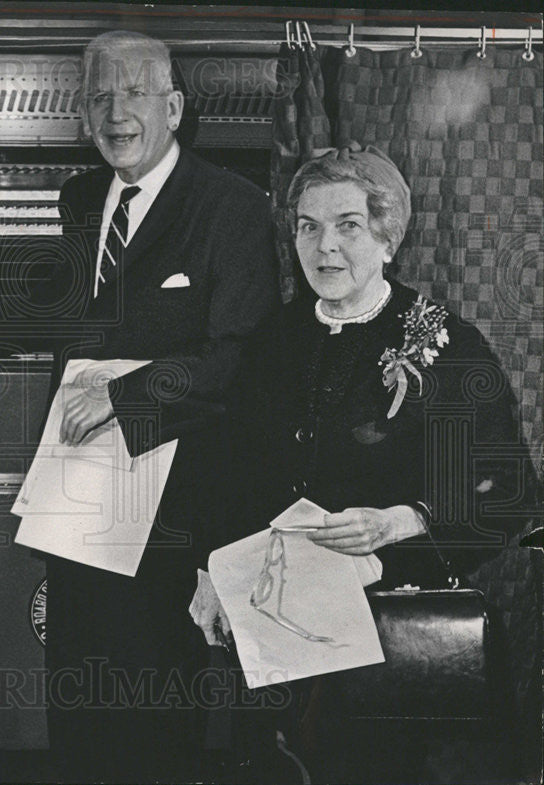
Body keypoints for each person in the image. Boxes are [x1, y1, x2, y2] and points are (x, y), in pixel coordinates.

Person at [0, 30, 278, 782]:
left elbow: (235, 360)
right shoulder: (82, 198)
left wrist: (124, 395)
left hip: (174, 496)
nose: (117, 112)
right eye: (100, 96)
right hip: (80, 486)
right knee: (78, 684)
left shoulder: (233, 207)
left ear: (173, 107)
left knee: (154, 693)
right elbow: (78, 309)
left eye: (135, 92)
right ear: (83, 113)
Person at [212, 143, 535, 782]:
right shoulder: (272, 341)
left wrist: (400, 521)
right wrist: (209, 574)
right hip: (270, 629)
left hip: (389, 640)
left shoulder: (443, 343)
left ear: (389, 238)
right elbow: (228, 475)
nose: (324, 246)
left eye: (348, 225)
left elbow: (512, 494)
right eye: (308, 226)